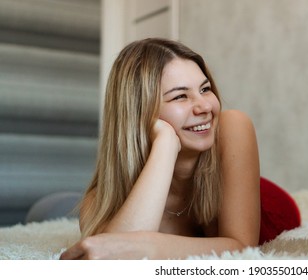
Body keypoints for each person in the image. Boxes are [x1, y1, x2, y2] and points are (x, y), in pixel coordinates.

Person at [60, 38, 261, 259]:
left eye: (205, 89)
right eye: (180, 96)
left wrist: (151, 246)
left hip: (264, 197)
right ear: (140, 113)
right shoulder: (98, 201)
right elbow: (116, 262)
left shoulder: (233, 126)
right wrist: (165, 143)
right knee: (50, 208)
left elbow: (243, 247)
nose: (205, 106)